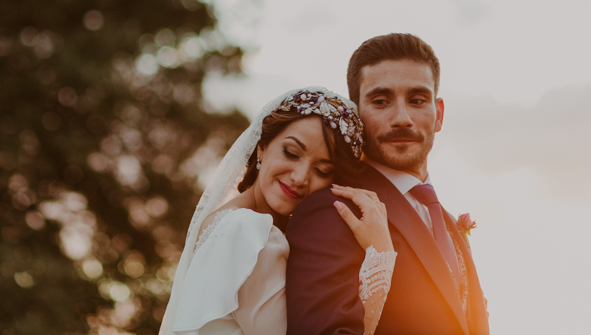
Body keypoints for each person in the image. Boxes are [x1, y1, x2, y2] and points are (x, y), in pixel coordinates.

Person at [285, 34, 491, 335]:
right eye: (381, 101)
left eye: (417, 100)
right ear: (355, 114)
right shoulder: (333, 211)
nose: (402, 118)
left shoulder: (444, 218)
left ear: (439, 114)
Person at [159, 87, 398, 335]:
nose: (300, 177)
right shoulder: (250, 232)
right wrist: (380, 259)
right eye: (291, 153)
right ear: (262, 146)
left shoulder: (225, 221)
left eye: (322, 171)